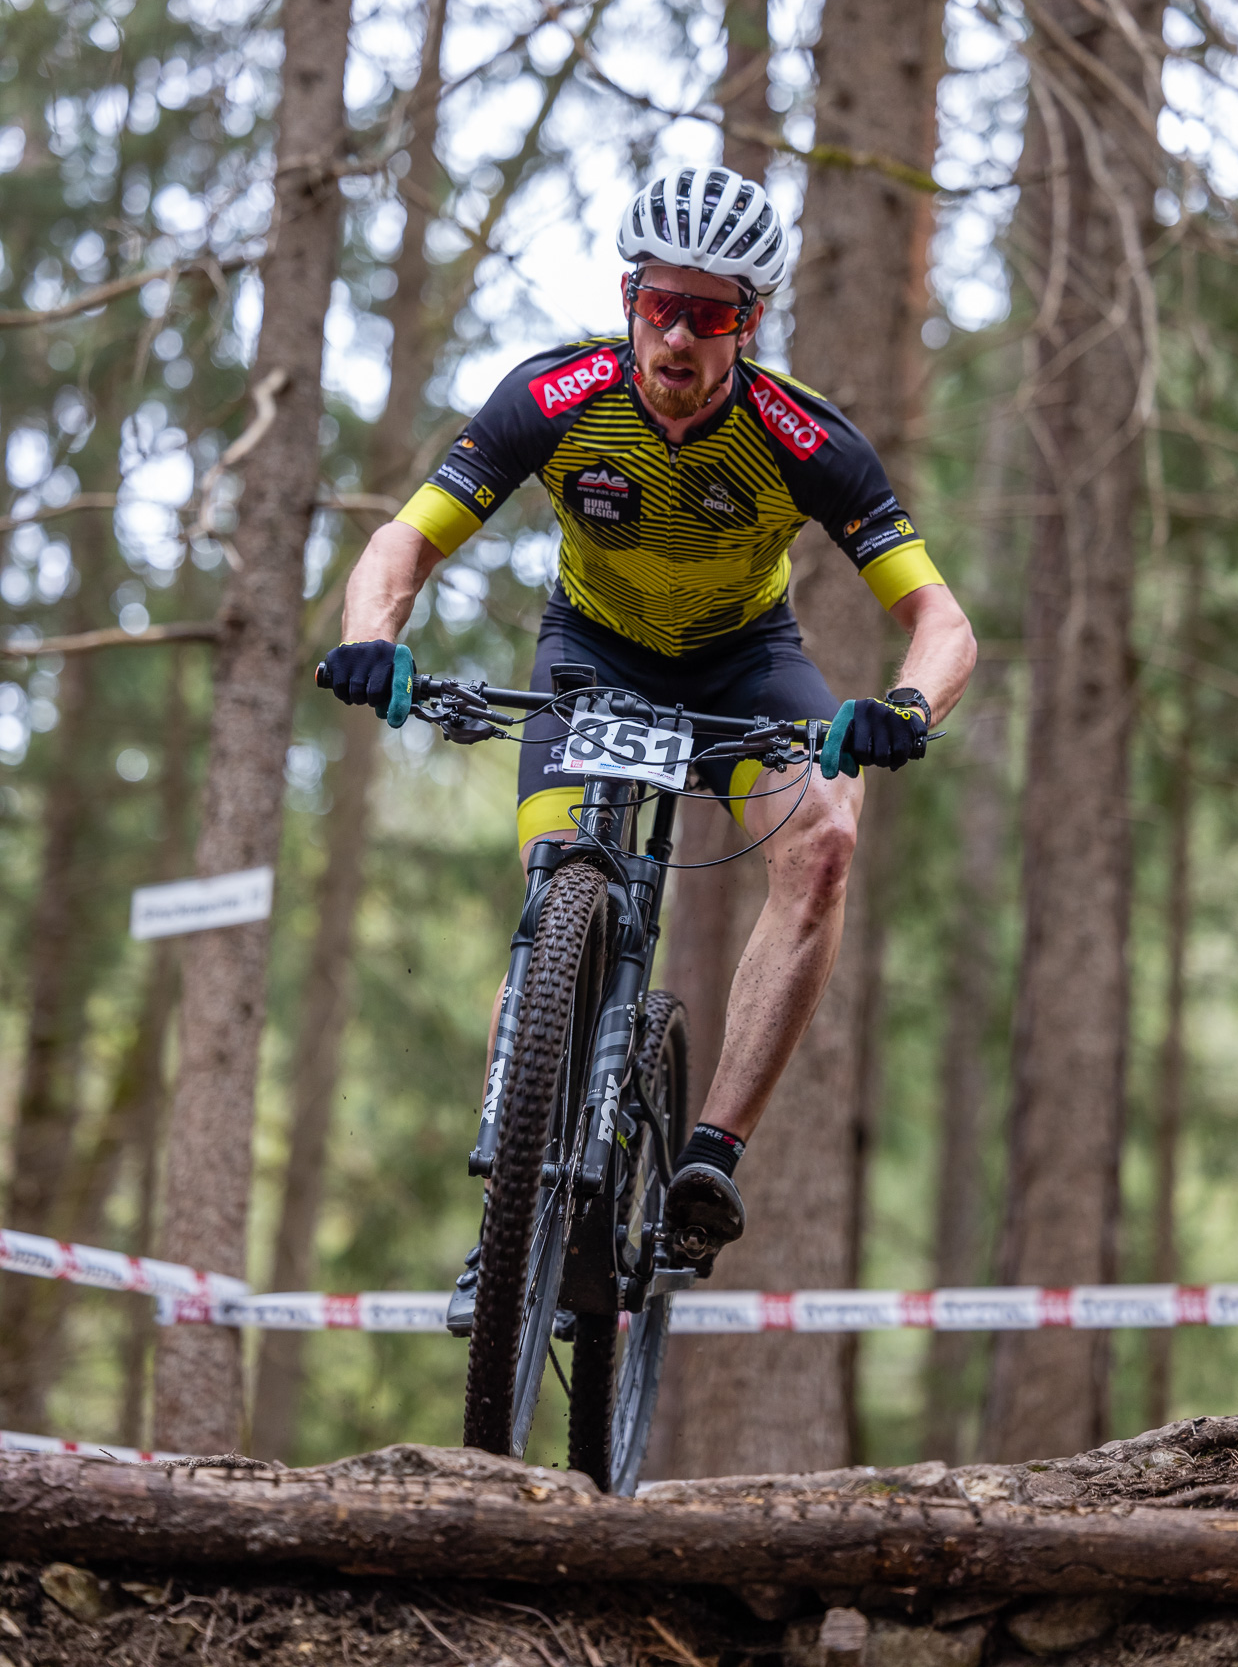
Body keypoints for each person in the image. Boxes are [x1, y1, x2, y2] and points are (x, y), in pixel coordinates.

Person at [325, 164, 976, 1328]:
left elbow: (941, 621)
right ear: (629, 297)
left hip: (742, 665)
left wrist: (908, 705)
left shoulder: (802, 437)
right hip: (592, 655)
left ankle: (709, 1155)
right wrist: (371, 638)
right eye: (660, 304)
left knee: (824, 840)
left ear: (748, 323)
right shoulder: (555, 397)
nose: (678, 335)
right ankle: (505, 1215)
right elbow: (402, 543)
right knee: (552, 896)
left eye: (709, 314)